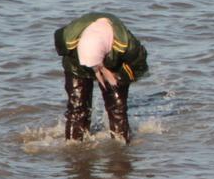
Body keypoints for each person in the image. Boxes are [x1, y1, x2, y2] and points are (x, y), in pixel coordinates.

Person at [54, 12, 149, 143]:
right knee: (77, 108)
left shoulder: (127, 45)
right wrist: (91, 65)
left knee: (117, 109)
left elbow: (140, 65)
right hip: (77, 63)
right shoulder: (66, 40)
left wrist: (121, 78)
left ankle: (121, 148)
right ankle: (74, 149)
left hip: (114, 65)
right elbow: (60, 45)